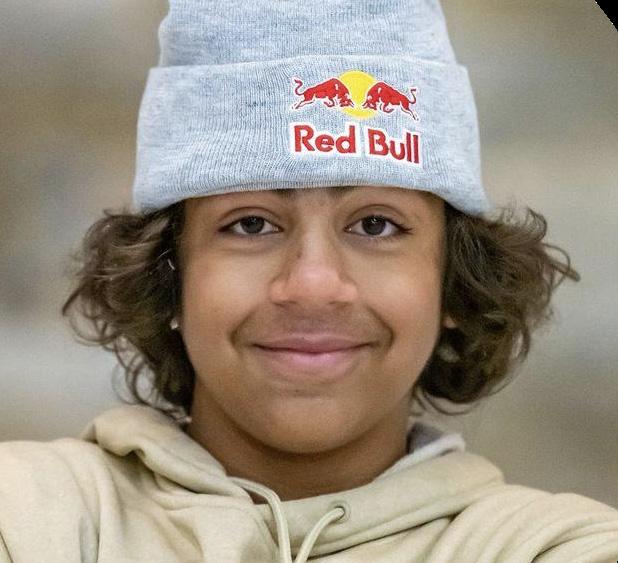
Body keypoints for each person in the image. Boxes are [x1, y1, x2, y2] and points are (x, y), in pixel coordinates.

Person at [1, 1, 617, 562]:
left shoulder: (552, 547)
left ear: (454, 280)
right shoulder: (29, 515)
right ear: (168, 274)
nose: (314, 284)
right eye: (250, 224)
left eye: (375, 224)